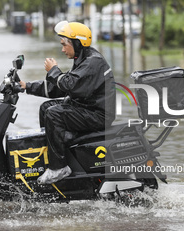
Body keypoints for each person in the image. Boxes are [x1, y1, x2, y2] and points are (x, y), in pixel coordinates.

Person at [18, 21, 116, 184]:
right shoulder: (83, 60)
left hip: (98, 115)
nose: (62, 49)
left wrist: (54, 70)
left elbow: (68, 84)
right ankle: (54, 159)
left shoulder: (93, 62)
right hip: (86, 109)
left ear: (77, 43)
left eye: (65, 45)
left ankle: (59, 168)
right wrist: (26, 86)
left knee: (54, 113)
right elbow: (60, 88)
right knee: (46, 108)